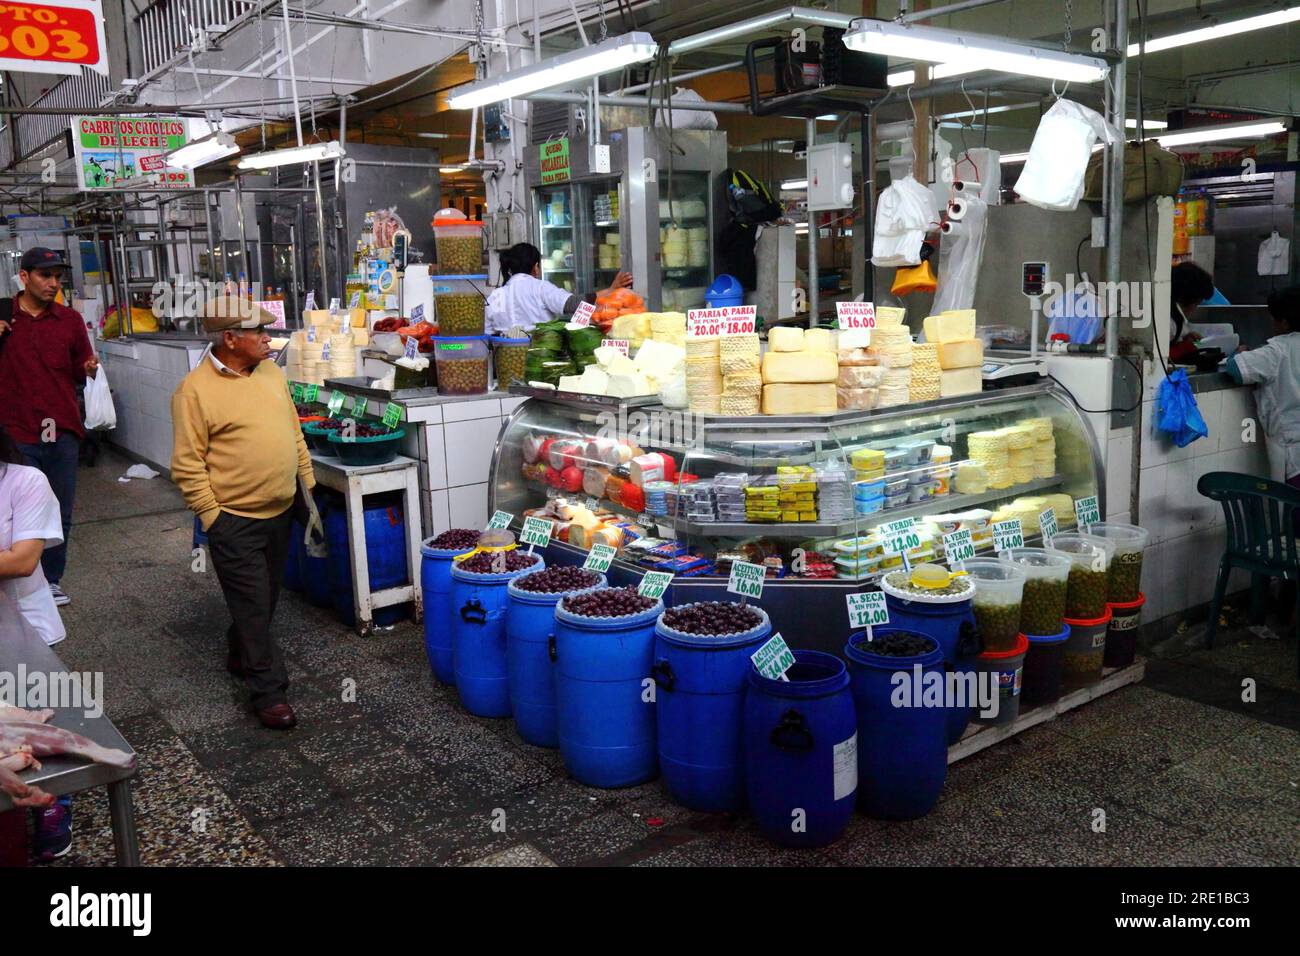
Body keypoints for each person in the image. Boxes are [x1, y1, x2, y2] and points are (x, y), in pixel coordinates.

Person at [170, 297, 315, 730]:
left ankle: (239, 649)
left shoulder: (270, 372)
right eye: (258, 332)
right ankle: (269, 691)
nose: (268, 339)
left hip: (281, 510)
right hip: (234, 519)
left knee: (264, 598)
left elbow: (292, 430)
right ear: (230, 339)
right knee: (254, 606)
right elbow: (187, 464)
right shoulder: (194, 391)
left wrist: (306, 485)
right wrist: (213, 517)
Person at [0, 247, 97, 608]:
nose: (53, 283)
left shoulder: (69, 321)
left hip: (60, 429)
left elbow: (77, 370)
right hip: (14, 431)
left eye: (58, 276)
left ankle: (51, 579)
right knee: (15, 512)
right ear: (24, 277)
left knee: (59, 509)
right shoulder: (3, 315)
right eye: (45, 275)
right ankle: (16, 575)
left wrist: (88, 368)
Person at [0, 422, 73, 859]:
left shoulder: (25, 481)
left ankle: (55, 805)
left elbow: (23, 560)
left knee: (35, 722)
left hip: (23, 628)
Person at [1226, 285, 1300, 630]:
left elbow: (1235, 370)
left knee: (1291, 533)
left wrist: (1239, 350)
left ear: (1282, 321)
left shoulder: (1278, 351)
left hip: (1293, 457)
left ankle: (1283, 614)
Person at [485, 242, 632, 334]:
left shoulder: (495, 296)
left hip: (507, 364)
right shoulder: (539, 288)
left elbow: (488, 332)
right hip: (542, 357)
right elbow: (572, 304)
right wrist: (611, 291)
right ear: (536, 267)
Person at [1168, 261, 1214, 363]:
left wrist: (1185, 339)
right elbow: (1164, 355)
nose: (1194, 309)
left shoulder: (1176, 317)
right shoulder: (1168, 321)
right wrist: (1186, 346)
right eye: (1197, 303)